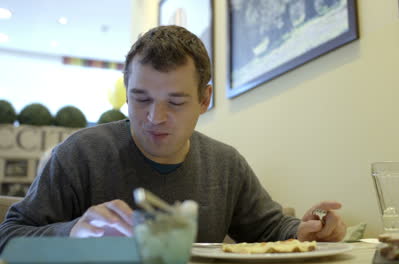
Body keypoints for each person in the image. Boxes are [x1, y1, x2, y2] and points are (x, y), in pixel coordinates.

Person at [0, 25, 346, 251]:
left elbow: (269, 228)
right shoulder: (80, 155)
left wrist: (306, 230)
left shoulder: (224, 164)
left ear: (204, 99)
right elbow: (10, 239)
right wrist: (73, 234)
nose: (155, 117)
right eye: (141, 98)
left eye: (176, 102)